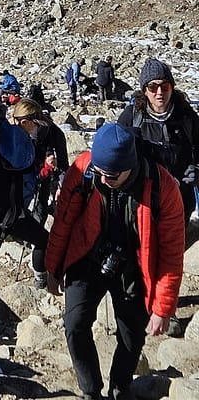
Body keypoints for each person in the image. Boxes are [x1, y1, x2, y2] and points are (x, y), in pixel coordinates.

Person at [46, 122, 184, 400]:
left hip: (135, 266)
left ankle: (120, 386)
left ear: (129, 166)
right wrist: (53, 267)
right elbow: (63, 221)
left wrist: (163, 307)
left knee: (132, 336)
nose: (103, 179)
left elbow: (171, 252)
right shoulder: (85, 170)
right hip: (86, 256)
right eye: (99, 172)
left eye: (110, 175)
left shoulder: (162, 187)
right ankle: (90, 390)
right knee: (74, 323)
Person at [0, 98, 67, 294]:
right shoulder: (16, 141)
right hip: (14, 205)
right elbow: (26, 176)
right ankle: (39, 280)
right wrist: (45, 170)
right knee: (41, 239)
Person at [119, 58, 199, 224]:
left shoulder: (186, 116)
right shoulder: (132, 116)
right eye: (153, 87)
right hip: (143, 199)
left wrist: (196, 172)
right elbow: (118, 153)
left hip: (180, 198)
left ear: (172, 87)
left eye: (165, 86)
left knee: (174, 246)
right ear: (145, 90)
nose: (159, 92)